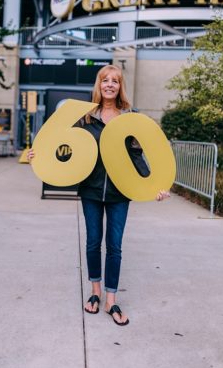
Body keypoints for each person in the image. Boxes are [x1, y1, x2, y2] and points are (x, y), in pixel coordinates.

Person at [28, 65, 170, 326]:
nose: (110, 85)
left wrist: (155, 186)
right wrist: (41, 155)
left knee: (114, 246)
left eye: (115, 81)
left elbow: (136, 156)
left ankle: (111, 300)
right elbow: (65, 150)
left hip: (120, 192)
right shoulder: (85, 118)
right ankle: (94, 293)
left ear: (120, 87)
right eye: (105, 80)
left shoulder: (129, 118)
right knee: (94, 242)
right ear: (99, 84)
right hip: (91, 190)